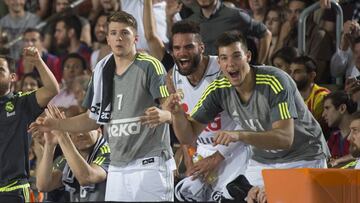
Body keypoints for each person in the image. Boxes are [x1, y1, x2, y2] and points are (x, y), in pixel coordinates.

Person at [29, 11, 175, 201]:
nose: (119, 38)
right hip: (117, 166)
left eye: (125, 33)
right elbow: (92, 118)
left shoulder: (150, 66)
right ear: (107, 39)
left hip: (150, 162)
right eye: (113, 33)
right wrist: (55, 124)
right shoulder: (101, 70)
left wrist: (165, 115)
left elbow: (171, 109)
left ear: (136, 38)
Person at [165, 31, 329, 187]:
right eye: (224, 58)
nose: (231, 63)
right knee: (234, 196)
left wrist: (238, 135)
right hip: (262, 161)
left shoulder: (275, 80)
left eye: (236, 56)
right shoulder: (219, 88)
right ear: (220, 63)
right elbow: (188, 136)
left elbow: (285, 139)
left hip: (303, 156)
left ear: (248, 57)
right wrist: (177, 113)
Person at [142, 21, 250, 201]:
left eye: (188, 47)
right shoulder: (173, 76)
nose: (182, 53)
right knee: (179, 195)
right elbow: (184, 122)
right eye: (177, 48)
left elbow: (249, 121)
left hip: (234, 151)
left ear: (201, 47)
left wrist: (217, 158)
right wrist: (189, 155)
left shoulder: (225, 69)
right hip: (203, 152)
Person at [0, 47, 59, 202]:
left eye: (0, 70)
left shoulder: (21, 102)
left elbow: (52, 89)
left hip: (13, 191)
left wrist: (38, 62)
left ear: (12, 77)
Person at [35, 105, 110, 202]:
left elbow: (87, 177)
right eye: (74, 130)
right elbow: (43, 185)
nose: (79, 134)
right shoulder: (69, 156)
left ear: (98, 128)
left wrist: (62, 134)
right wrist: (49, 144)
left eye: (84, 128)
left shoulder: (108, 151)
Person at [289, 56, 330, 123]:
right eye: (290, 71)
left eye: (297, 72)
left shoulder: (321, 96)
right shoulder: (289, 94)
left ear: (311, 76)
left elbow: (312, 128)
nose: (291, 76)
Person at [322, 91, 357, 167]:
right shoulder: (333, 138)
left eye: (327, 108)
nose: (323, 114)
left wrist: (338, 161)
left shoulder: (358, 134)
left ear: (342, 108)